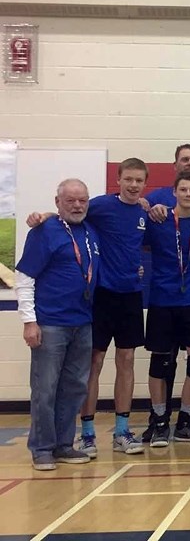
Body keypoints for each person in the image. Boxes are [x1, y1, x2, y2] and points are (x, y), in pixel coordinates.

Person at [25, 159, 150, 456]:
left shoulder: (144, 211)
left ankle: (121, 432)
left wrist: (150, 206)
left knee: (127, 361)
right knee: (92, 364)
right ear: (118, 180)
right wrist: (42, 215)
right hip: (101, 296)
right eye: (128, 179)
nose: (133, 185)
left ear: (145, 183)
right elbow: (66, 214)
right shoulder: (100, 206)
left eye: (139, 181)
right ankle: (89, 434)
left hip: (132, 295)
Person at [15, 179, 101, 470]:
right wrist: (29, 321)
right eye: (70, 201)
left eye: (82, 200)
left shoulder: (90, 232)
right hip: (50, 324)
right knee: (45, 389)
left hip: (83, 323)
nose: (77, 206)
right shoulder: (44, 231)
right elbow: (24, 278)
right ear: (57, 203)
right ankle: (41, 448)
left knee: (75, 387)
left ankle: (64, 444)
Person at [143, 143, 190, 440]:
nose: (188, 194)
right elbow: (129, 226)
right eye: (183, 190)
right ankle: (159, 420)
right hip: (162, 299)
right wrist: (146, 207)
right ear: (173, 192)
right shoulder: (157, 218)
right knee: (161, 362)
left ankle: (186, 421)